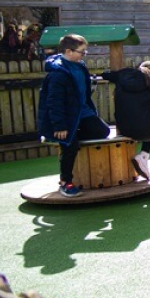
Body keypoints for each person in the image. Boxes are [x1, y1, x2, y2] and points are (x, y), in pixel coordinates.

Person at [37, 34, 110, 197]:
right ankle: (66, 182)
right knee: (70, 146)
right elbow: (54, 102)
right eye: (82, 51)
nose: (84, 55)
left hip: (82, 113)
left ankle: (73, 134)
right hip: (66, 117)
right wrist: (60, 126)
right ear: (69, 51)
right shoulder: (58, 74)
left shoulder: (80, 66)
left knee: (102, 131)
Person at [102, 61, 150, 183]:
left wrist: (106, 74)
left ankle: (144, 156)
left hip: (124, 128)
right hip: (147, 127)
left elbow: (106, 75)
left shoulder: (122, 76)